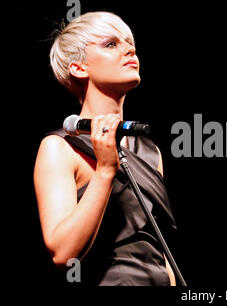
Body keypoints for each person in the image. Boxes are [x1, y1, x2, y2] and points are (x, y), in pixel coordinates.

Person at [34, 11, 177, 286]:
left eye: (129, 42)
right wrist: (104, 171)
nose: (130, 49)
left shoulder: (150, 151)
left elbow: (157, 245)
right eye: (111, 44)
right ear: (79, 67)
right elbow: (63, 253)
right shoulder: (59, 149)